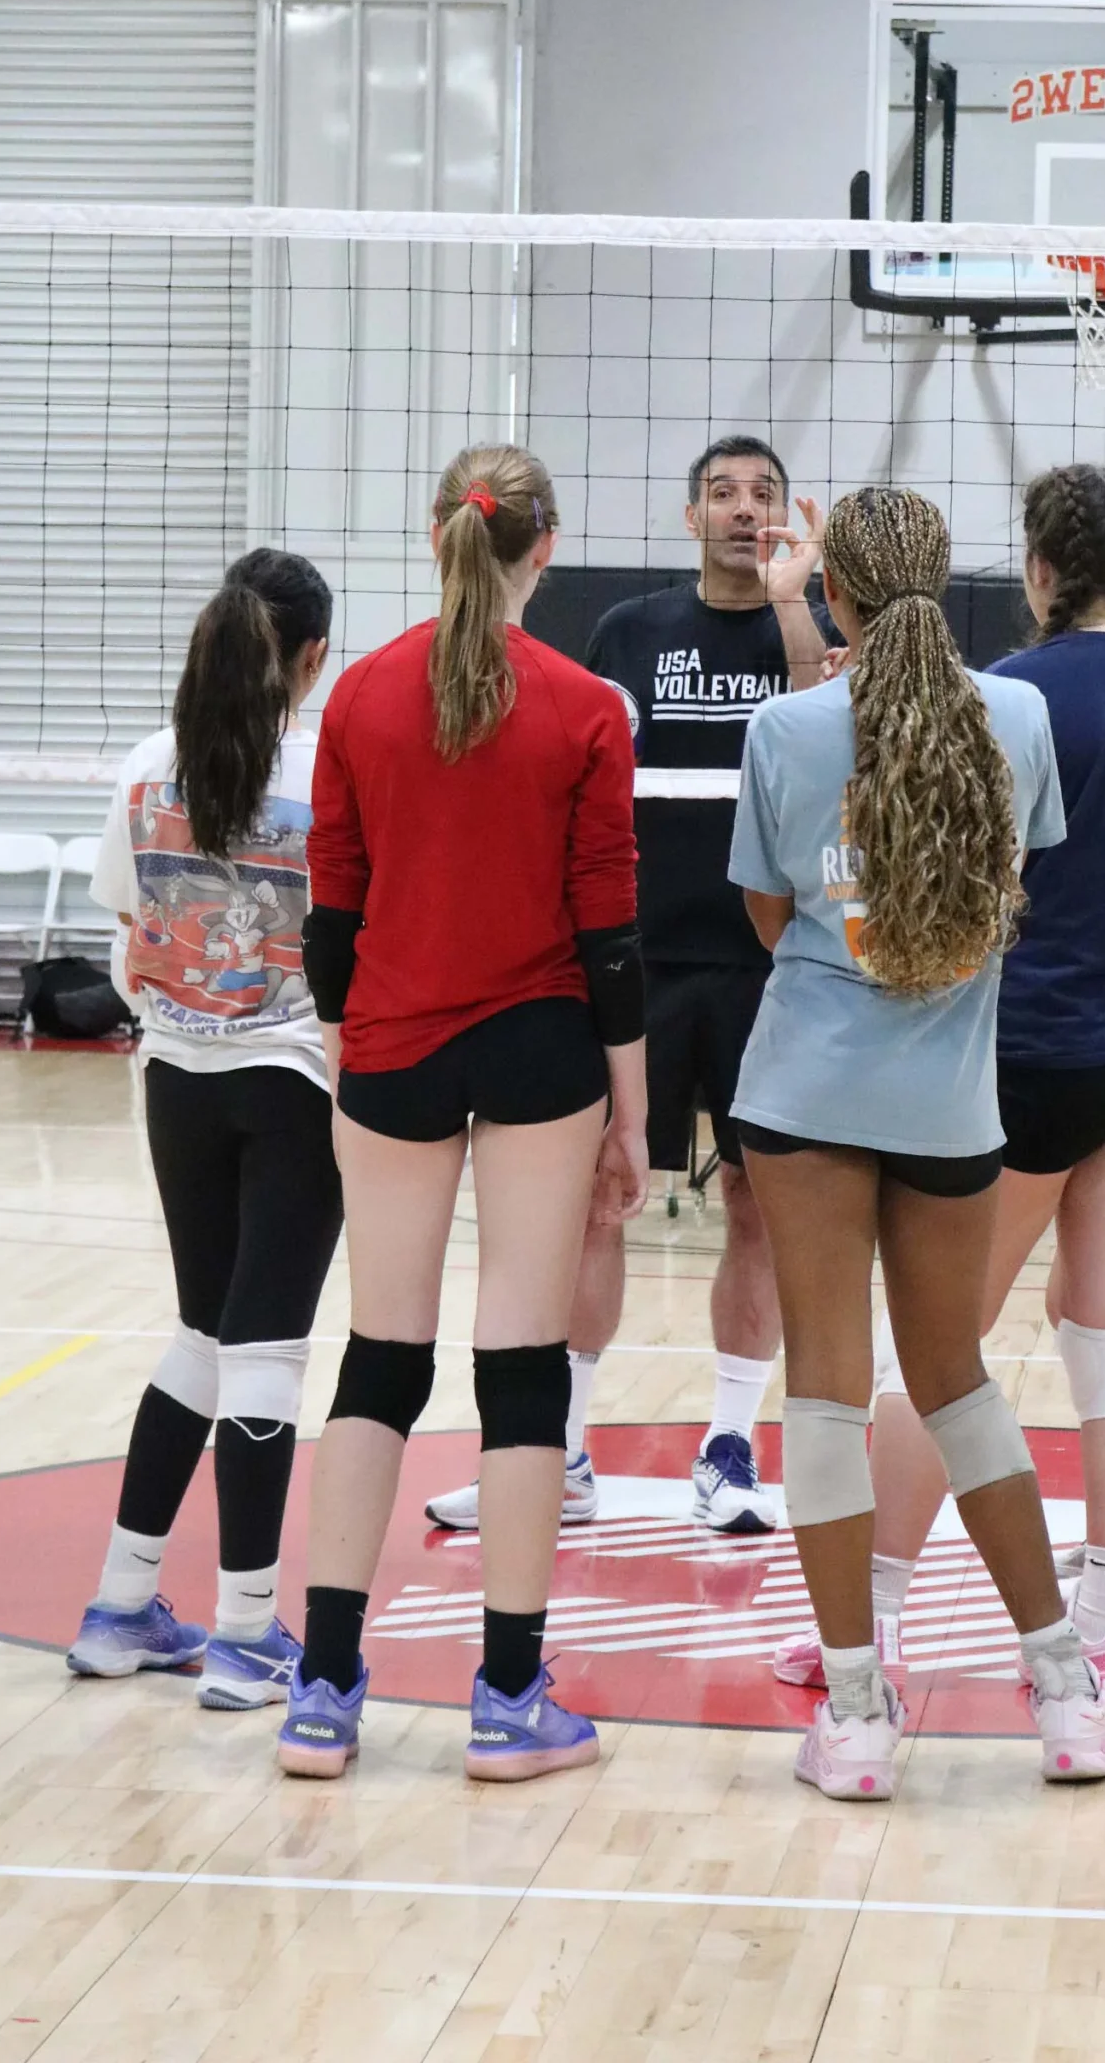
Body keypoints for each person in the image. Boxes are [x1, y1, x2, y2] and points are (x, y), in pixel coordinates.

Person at [778, 465, 1105, 1705]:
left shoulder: (1011, 693)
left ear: (1040, 568)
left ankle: (863, 1620)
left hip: (1034, 1051)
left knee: (941, 1356)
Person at [733, 483, 1105, 1800]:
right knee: (955, 1384)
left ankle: (855, 1719)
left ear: (834, 594)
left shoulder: (786, 728)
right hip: (951, 1108)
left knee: (822, 1393)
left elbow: (767, 917)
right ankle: (1066, 1700)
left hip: (803, 1092)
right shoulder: (1016, 714)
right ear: (949, 578)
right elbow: (1006, 889)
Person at [281, 444, 645, 1784]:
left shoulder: (363, 696)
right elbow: (608, 929)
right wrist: (632, 1111)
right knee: (521, 1363)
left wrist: (352, 1050)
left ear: (434, 534)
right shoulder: (583, 704)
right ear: (540, 552)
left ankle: (321, 1693)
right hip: (542, 1044)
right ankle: (505, 1697)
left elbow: (332, 913)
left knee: (380, 1355)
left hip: (388, 1047)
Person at [423, 434, 827, 1541]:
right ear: (688, 513)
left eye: (765, 496)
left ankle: (730, 1447)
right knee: (598, 1202)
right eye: (723, 493)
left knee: (758, 1205)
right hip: (635, 964)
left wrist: (799, 605)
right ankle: (563, 1453)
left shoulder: (813, 632)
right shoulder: (626, 633)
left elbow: (820, 727)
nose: (745, 510)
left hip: (768, 967)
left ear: (793, 518)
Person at [68, 551, 343, 1710]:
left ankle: (121, 1607)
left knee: (203, 1336)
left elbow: (125, 915)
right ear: (315, 657)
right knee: (267, 1351)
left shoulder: (144, 765)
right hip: (292, 1081)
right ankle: (242, 1632)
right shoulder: (329, 772)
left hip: (175, 1076)